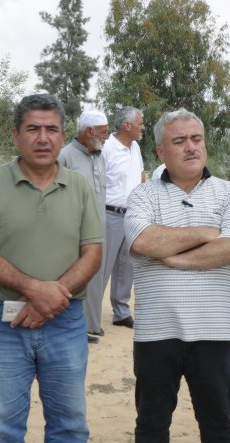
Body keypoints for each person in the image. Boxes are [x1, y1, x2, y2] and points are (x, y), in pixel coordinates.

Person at [0, 93, 103, 443]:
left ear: (63, 135)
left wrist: (50, 299)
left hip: (66, 321)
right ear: (16, 135)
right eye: (33, 129)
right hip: (1, 323)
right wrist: (35, 290)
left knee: (70, 422)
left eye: (51, 129)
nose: (42, 138)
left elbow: (92, 254)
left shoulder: (79, 186)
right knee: (1, 427)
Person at [124, 108, 230, 443]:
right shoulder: (143, 195)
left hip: (212, 334)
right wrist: (207, 233)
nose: (191, 147)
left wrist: (174, 257)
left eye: (196, 139)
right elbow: (143, 241)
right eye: (179, 141)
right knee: (151, 425)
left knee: (219, 427)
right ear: (161, 151)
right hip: (154, 334)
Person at [58, 110, 110, 343]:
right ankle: (74, 328)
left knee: (95, 277)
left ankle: (92, 325)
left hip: (97, 230)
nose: (107, 137)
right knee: (73, 277)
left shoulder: (99, 156)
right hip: (73, 232)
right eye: (104, 132)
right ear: (90, 132)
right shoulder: (64, 157)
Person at [102, 106, 145, 329]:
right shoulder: (106, 148)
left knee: (127, 267)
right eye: (140, 123)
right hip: (109, 215)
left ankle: (121, 312)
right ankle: (89, 316)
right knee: (102, 266)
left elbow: (141, 176)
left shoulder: (135, 147)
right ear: (127, 126)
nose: (143, 127)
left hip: (133, 216)